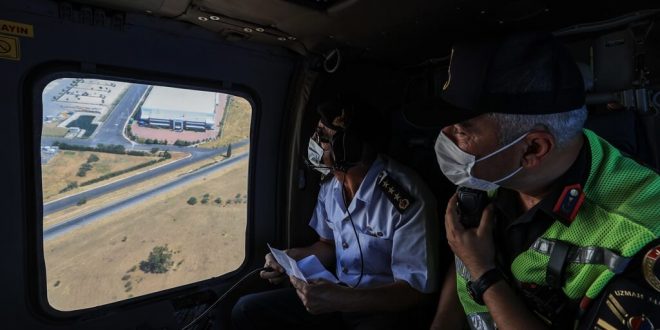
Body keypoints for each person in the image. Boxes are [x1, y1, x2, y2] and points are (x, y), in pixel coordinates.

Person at [404, 32, 660, 329]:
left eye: (462, 131)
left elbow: (472, 259)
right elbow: (464, 247)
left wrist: (484, 273)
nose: (445, 138)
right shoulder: (491, 173)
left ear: (533, 148)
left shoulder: (641, 233)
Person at [232, 99, 440, 329]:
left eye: (323, 137)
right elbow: (327, 245)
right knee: (246, 310)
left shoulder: (405, 198)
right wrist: (288, 258)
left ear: (348, 147)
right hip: (336, 295)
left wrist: (341, 299)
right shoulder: (331, 186)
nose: (315, 143)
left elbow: (414, 291)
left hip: (383, 309)